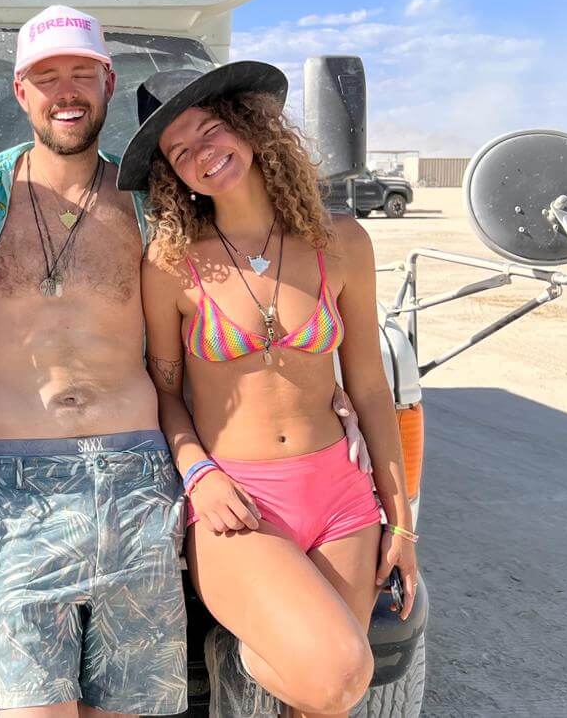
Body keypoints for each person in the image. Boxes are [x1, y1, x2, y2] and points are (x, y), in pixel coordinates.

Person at [0, 8, 367, 718]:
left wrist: (318, 384)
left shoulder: (156, 208)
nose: (67, 92)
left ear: (109, 83)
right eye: (46, 78)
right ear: (20, 92)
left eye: (82, 73)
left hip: (142, 482)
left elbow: (243, 287)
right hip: (17, 486)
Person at [119, 62, 419, 718]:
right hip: (239, 501)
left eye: (211, 130)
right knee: (338, 670)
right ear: (171, 172)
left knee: (325, 701)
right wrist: (200, 473)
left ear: (251, 130)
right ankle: (244, 654)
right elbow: (165, 391)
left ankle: (265, 660)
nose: (201, 154)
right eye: (179, 150)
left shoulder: (342, 243)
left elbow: (369, 387)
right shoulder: (170, 266)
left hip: (341, 497)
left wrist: (400, 522)